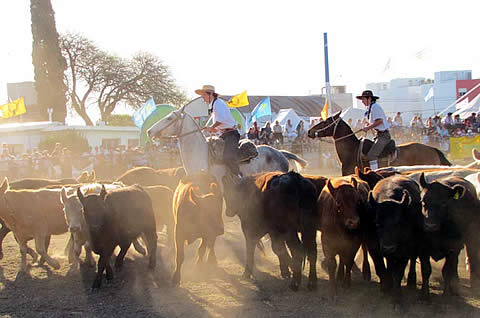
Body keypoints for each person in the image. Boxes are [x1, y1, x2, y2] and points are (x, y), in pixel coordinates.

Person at [195, 85, 241, 177]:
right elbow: (221, 123)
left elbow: (221, 119)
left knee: (228, 156)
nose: (202, 98)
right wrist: (214, 130)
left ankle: (238, 176)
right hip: (224, 134)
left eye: (203, 95)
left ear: (210, 94)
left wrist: (211, 127)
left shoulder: (218, 103)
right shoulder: (213, 104)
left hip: (231, 134)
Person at [357, 90, 391, 170]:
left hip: (383, 136)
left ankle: (374, 173)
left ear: (369, 98)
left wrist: (368, 128)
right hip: (378, 135)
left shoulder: (375, 107)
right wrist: (368, 125)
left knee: (372, 155)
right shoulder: (371, 108)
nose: (362, 101)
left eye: (363, 99)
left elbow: (379, 121)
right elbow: (375, 121)